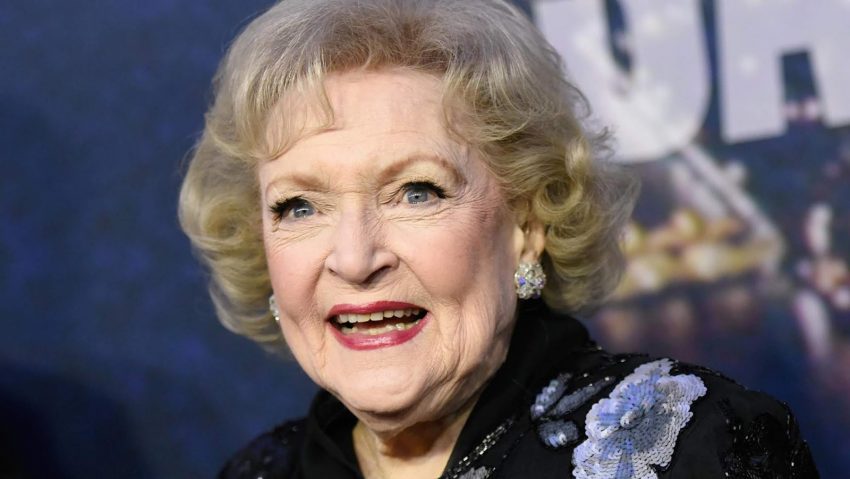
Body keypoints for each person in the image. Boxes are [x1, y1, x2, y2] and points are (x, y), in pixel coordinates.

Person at [178, 0, 818, 477]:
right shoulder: (259, 472)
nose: (353, 258)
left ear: (528, 226)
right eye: (298, 207)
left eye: (417, 192)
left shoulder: (691, 449)